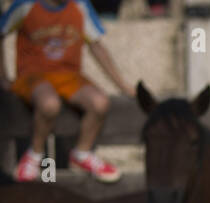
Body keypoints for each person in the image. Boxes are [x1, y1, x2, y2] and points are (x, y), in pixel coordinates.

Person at [0, 0, 133, 182]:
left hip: (69, 76)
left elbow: (97, 45)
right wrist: (3, 76)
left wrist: (124, 86)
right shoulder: (25, 5)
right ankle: (34, 155)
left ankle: (82, 153)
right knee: (50, 104)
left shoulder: (80, 6)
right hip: (33, 76)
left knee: (100, 102)